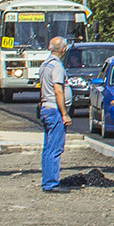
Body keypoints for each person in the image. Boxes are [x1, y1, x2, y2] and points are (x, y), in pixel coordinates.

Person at [39, 36, 71, 193]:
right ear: (64, 49)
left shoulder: (45, 65)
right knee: (55, 148)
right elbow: (58, 90)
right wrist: (64, 113)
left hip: (46, 108)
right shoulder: (57, 67)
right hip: (55, 111)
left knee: (48, 148)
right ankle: (51, 183)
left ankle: (47, 180)